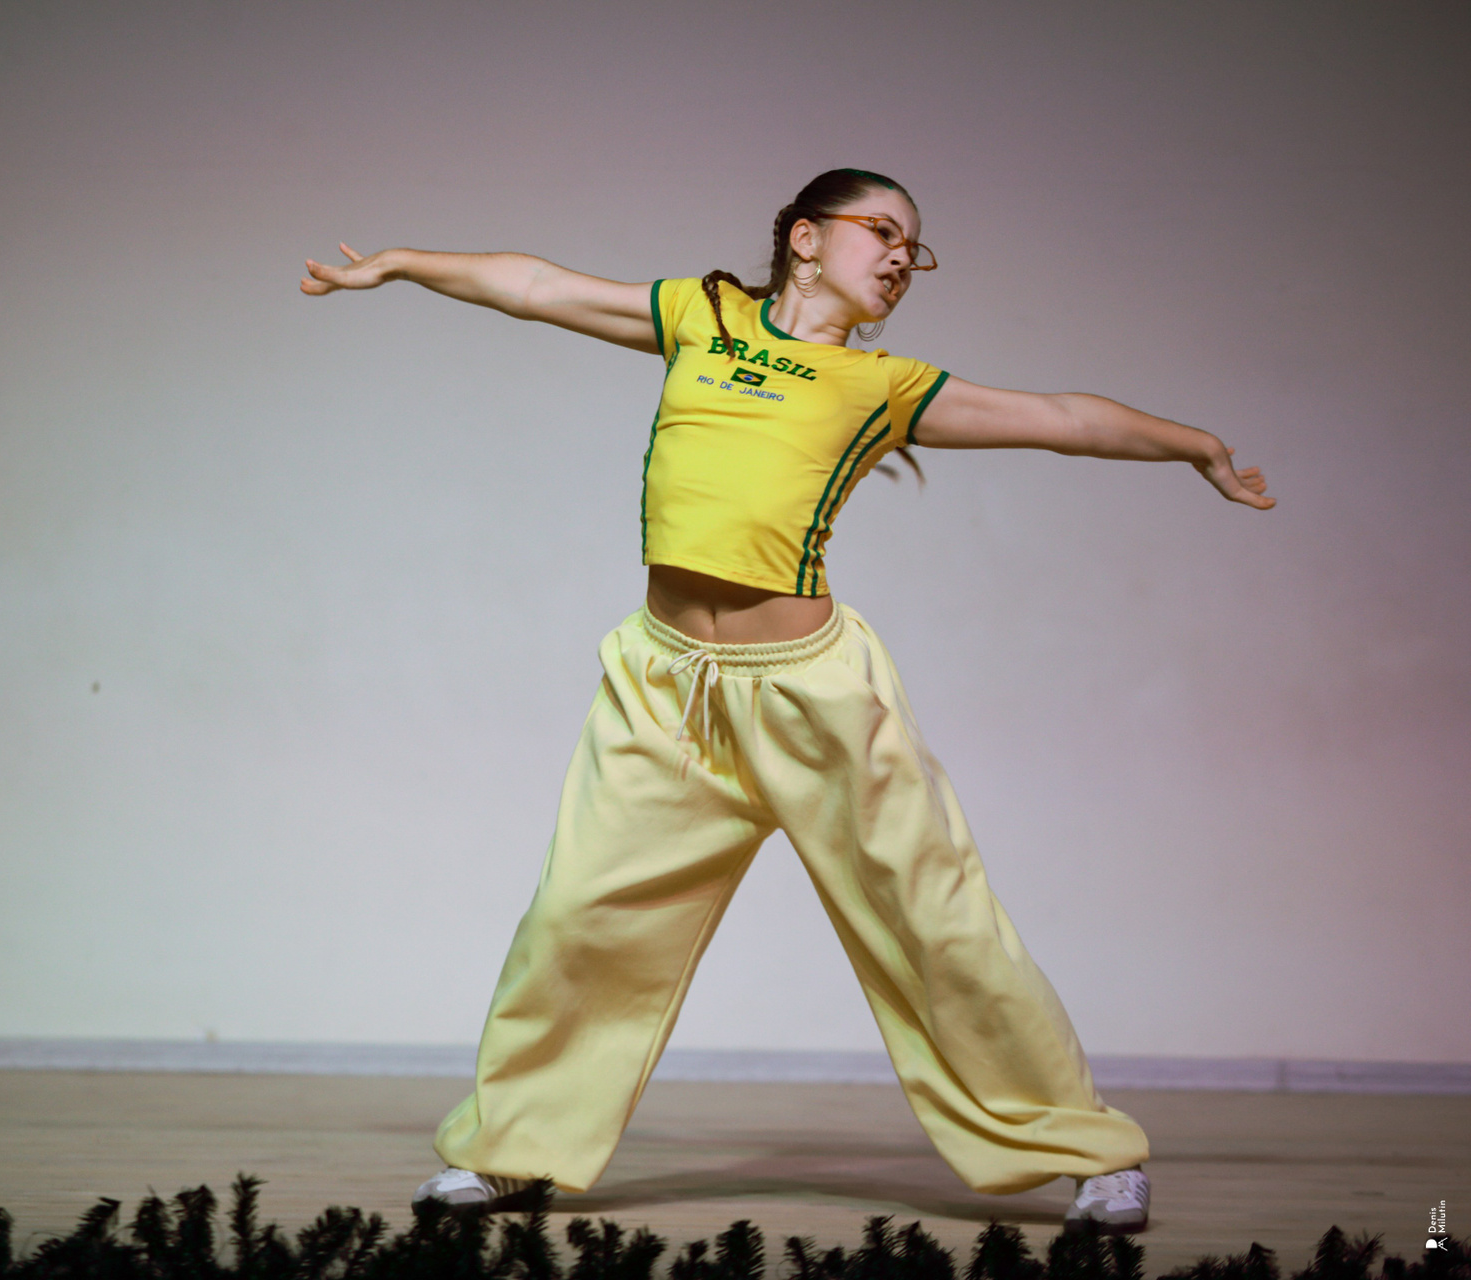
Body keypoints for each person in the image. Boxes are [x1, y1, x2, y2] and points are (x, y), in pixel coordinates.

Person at [299, 168, 1273, 1237]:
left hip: (814, 695)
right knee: (578, 921)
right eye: (882, 230)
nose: (901, 257)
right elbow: (537, 285)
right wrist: (403, 264)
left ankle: (1093, 1153)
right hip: (665, 689)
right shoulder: (702, 316)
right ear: (806, 238)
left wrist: (1198, 446)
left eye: (914, 248)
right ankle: (514, 1154)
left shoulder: (883, 386)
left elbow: (1061, 418)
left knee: (938, 923)